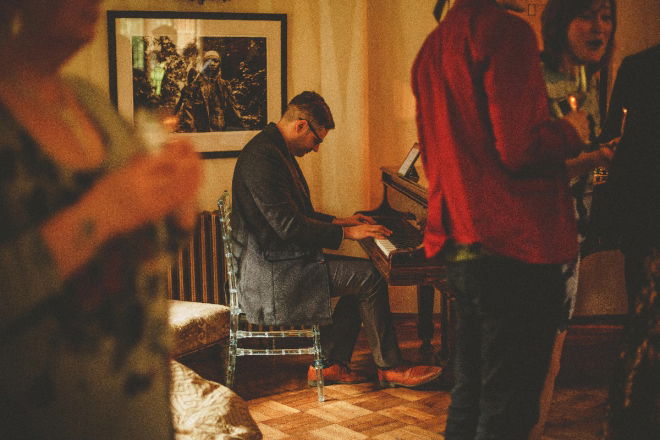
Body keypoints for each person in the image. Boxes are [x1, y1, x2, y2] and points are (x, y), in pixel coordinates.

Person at [0, 1, 202, 439]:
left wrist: (176, 211)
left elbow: (144, 256)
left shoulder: (90, 101)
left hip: (141, 414)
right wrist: (103, 212)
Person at [411, 0, 591, 438]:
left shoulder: (432, 47)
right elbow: (520, 148)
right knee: (509, 410)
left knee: (470, 396)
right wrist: (573, 131)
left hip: (462, 243)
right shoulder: (507, 32)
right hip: (516, 245)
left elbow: (435, 159)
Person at [231, 91, 443, 388]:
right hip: (273, 275)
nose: (316, 148)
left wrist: (342, 221)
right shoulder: (263, 158)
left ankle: (329, 365)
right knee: (371, 278)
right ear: (301, 125)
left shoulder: (274, 149)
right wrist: (347, 233)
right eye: (317, 140)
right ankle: (390, 367)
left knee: (367, 275)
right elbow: (288, 227)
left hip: (280, 260)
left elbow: (298, 214)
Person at [530, 1, 617, 438]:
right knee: (532, 357)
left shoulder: (588, 79)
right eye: (587, 14)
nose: (599, 27)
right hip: (533, 232)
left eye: (606, 16)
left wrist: (605, 162)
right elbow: (531, 168)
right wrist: (595, 159)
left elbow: (586, 159)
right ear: (561, 19)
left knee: (551, 357)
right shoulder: (534, 77)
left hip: (571, 230)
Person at [598, 44, 660, 440]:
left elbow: (613, 140)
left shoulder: (639, 67)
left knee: (640, 326)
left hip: (642, 218)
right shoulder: (640, 67)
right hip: (645, 219)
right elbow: (614, 140)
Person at [176, 50, 245, 132]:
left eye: (215, 61)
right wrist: (191, 130)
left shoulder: (224, 85)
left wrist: (241, 125)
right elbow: (188, 109)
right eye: (208, 61)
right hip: (202, 129)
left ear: (219, 63)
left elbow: (233, 107)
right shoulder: (196, 85)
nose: (212, 64)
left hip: (220, 129)